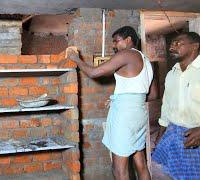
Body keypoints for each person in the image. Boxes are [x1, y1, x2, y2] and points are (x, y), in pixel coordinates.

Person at [68, 26, 156, 180]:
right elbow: (153, 94)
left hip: (125, 116)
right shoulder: (146, 60)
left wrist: (75, 58)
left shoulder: (126, 54)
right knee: (140, 163)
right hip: (139, 113)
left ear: (128, 40)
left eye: (116, 41)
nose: (114, 45)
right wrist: (124, 99)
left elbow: (94, 72)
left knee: (119, 169)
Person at [152, 32, 200, 179]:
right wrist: (161, 135)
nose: (172, 46)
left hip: (195, 137)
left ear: (195, 47)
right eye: (172, 43)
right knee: (171, 174)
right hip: (173, 134)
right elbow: (166, 107)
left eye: (178, 43)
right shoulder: (172, 74)